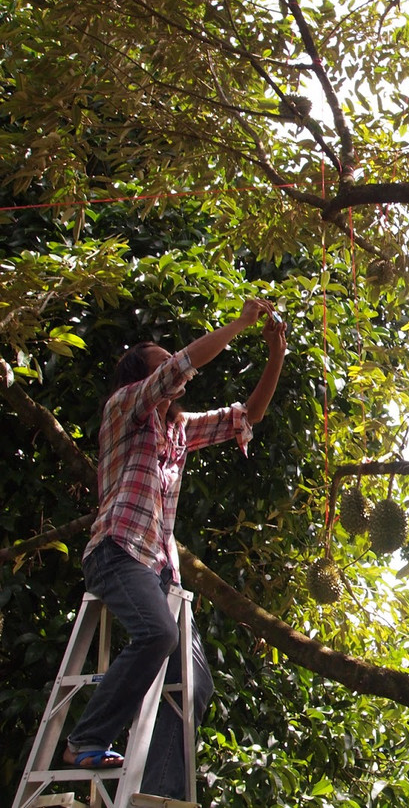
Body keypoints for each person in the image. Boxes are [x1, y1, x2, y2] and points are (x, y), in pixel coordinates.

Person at [61, 298, 287, 801]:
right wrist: (240, 323)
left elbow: (247, 416)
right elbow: (182, 364)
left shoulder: (179, 430)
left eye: (170, 363)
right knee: (157, 634)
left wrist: (276, 355)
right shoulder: (124, 408)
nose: (173, 370)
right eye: (160, 364)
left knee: (196, 685)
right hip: (117, 552)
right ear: (142, 378)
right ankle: (85, 738)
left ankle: (159, 793)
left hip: (162, 573)